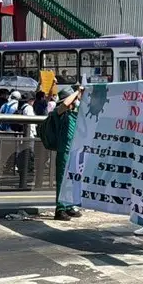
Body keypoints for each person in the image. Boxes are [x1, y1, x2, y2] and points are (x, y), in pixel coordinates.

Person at [49, 86, 84, 221]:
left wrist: (81, 96)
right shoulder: (59, 112)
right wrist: (77, 92)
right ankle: (60, 208)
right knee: (62, 180)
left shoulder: (74, 114)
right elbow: (64, 104)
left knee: (72, 179)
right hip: (65, 150)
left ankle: (69, 206)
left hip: (75, 150)